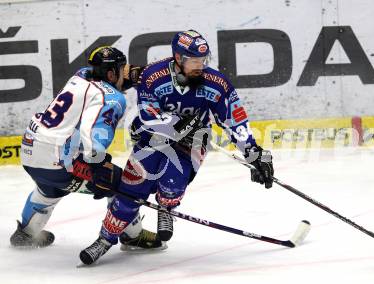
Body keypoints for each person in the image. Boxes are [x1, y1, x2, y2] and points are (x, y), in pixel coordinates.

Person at [79, 30, 274, 265]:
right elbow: (148, 113)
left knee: (172, 184)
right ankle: (105, 239)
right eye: (193, 61)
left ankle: (166, 209)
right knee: (130, 192)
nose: (199, 66)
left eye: (202, 60)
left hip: (191, 143)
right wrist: (176, 124)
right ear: (178, 58)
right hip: (153, 139)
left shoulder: (217, 83)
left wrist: (252, 152)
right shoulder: (153, 75)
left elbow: (234, 119)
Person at [10, 46, 162, 252]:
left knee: (48, 191)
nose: (125, 71)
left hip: (31, 151)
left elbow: (106, 82)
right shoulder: (113, 99)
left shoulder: (81, 75)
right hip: (59, 162)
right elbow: (95, 133)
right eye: (121, 67)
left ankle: (26, 234)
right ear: (111, 73)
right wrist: (98, 166)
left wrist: (127, 77)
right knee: (123, 183)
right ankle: (131, 236)